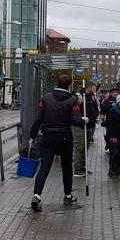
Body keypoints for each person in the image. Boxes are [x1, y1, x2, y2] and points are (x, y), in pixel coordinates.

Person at [29, 75, 88, 212]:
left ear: (57, 83)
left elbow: (38, 119)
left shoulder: (46, 98)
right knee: (66, 166)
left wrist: (32, 136)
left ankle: (37, 195)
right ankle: (67, 195)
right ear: (69, 85)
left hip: (47, 137)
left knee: (44, 167)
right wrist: (84, 119)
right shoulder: (73, 100)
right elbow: (75, 121)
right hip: (64, 138)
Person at [72, 83, 99, 177]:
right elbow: (73, 111)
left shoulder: (92, 98)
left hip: (89, 125)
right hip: (79, 126)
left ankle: (82, 166)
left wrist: (93, 118)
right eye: (94, 88)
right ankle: (77, 168)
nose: (95, 90)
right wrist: (80, 119)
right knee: (79, 147)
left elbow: (96, 109)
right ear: (89, 88)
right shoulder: (78, 97)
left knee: (85, 147)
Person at [104, 94, 120, 176]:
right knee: (114, 152)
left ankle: (117, 168)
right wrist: (113, 136)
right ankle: (111, 169)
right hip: (113, 135)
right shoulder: (112, 111)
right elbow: (109, 124)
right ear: (118, 102)